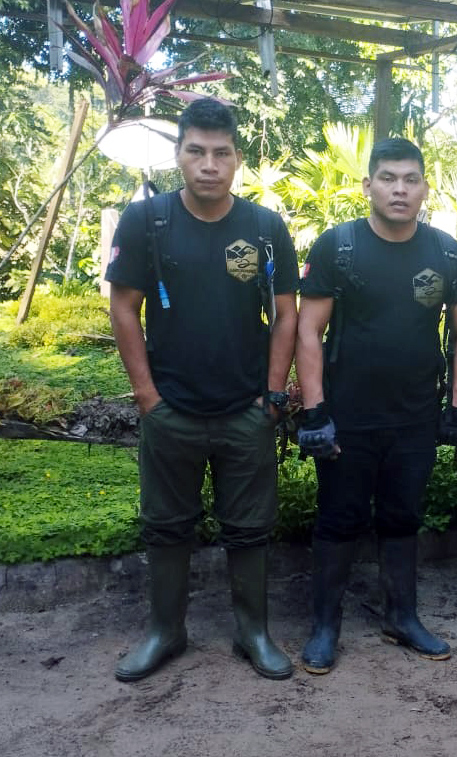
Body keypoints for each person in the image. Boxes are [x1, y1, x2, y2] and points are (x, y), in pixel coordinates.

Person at [106, 98, 298, 682]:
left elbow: (286, 313)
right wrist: (147, 397)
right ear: (179, 156)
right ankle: (166, 631)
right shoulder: (147, 222)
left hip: (245, 410)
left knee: (250, 526)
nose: (209, 164)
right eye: (197, 151)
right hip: (171, 411)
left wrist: (271, 395)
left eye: (221, 153)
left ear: (237, 159)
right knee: (166, 524)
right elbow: (123, 307)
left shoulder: (264, 228)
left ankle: (253, 632)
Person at [296, 138, 457, 674]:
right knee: (338, 519)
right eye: (389, 178)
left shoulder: (446, 252)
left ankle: (403, 616)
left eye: (411, 179)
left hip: (415, 417)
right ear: (368, 184)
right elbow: (309, 329)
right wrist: (314, 411)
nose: (400, 189)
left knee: (402, 517)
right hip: (347, 417)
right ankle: (325, 626)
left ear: (425, 187)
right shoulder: (339, 246)